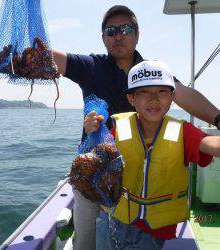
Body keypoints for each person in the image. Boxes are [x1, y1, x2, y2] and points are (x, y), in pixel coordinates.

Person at [27, 5, 220, 249]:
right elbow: (53, 59)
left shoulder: (150, 73)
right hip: (91, 170)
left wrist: (218, 118)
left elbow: (184, 94)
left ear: (137, 35)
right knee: (88, 236)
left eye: (125, 29)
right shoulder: (90, 65)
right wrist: (27, 51)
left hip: (133, 176)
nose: (118, 35)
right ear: (103, 38)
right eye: (110, 30)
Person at [84, 60, 220, 250]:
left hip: (153, 230)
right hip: (115, 216)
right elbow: (97, 160)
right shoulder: (119, 128)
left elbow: (212, 144)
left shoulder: (184, 132)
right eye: (144, 92)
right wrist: (93, 129)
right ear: (131, 99)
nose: (153, 99)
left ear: (172, 97)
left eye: (161, 92)